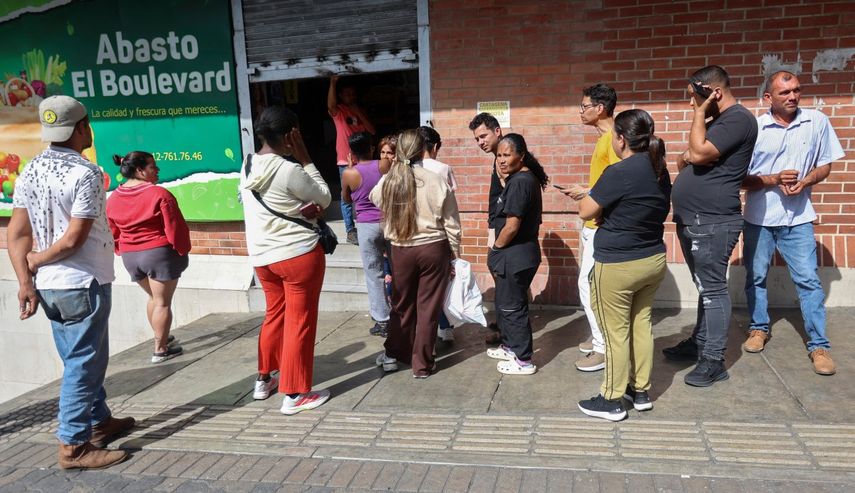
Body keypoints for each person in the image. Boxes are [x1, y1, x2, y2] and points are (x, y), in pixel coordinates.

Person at [7, 95, 134, 469]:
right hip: (82, 281)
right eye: (87, 124)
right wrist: (36, 260)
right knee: (84, 364)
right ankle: (74, 446)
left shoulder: (30, 169)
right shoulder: (87, 172)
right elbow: (73, 239)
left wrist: (25, 279)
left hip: (50, 287)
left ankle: (99, 420)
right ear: (81, 128)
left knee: (78, 359)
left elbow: (15, 232)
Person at [741, 71, 844, 375]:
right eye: (784, 93)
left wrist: (807, 180)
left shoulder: (816, 121)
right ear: (768, 98)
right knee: (756, 276)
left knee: (808, 281)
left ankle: (819, 345)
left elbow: (825, 164)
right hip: (759, 218)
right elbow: (739, 179)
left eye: (796, 91)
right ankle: (758, 328)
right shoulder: (754, 128)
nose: (792, 97)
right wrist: (773, 179)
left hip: (798, 218)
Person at [663, 65, 758, 387]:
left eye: (695, 97)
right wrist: (693, 152)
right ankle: (700, 343)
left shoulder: (738, 119)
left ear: (713, 92)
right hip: (695, 219)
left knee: (713, 290)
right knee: (706, 288)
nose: (692, 104)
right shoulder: (719, 122)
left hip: (714, 221)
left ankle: (714, 360)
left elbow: (699, 152)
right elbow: (683, 157)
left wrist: (700, 118)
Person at [576, 109, 671, 421]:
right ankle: (639, 391)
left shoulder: (619, 172)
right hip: (653, 258)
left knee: (615, 333)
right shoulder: (660, 169)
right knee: (640, 325)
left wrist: (593, 201)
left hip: (618, 263)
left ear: (620, 139)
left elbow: (586, 211)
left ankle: (612, 398)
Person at [241, 106, 332, 414]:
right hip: (297, 255)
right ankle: (294, 394)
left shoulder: (248, 163)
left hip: (262, 257)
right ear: (290, 135)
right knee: (299, 322)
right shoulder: (290, 169)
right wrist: (305, 157)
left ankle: (264, 379)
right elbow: (323, 197)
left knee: (275, 315)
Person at [370, 129, 461, 379]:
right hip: (434, 247)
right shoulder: (435, 179)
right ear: (423, 150)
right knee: (428, 308)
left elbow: (373, 198)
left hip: (401, 249)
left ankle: (395, 353)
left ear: (398, 152)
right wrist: (455, 254)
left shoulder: (391, 179)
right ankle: (422, 364)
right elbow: (452, 222)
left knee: (401, 305)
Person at [106, 151, 190, 364]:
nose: (158, 170)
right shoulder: (159, 194)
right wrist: (181, 249)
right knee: (162, 302)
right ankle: (160, 349)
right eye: (153, 167)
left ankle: (161, 336)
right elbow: (174, 227)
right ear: (140, 170)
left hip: (130, 256)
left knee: (153, 298)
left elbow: (112, 229)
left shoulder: (113, 197)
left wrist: (120, 249)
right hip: (158, 254)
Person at [560, 83, 621, 373]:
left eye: (584, 106)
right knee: (590, 286)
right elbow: (606, 184)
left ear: (601, 108)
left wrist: (588, 197)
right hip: (594, 223)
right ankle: (599, 337)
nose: (580, 111)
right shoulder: (604, 139)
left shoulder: (613, 140)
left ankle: (602, 347)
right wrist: (585, 191)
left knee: (589, 286)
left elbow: (620, 186)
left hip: (603, 226)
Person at [486, 133, 548, 375]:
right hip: (516, 255)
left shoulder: (522, 181)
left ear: (521, 156)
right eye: (499, 155)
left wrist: (496, 247)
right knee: (507, 304)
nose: (501, 160)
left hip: (516, 255)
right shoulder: (517, 179)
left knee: (513, 308)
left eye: (507, 154)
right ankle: (511, 346)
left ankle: (523, 360)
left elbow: (512, 225)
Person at [341, 131, 391, 338]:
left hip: (366, 226)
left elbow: (346, 199)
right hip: (389, 223)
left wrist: (351, 166)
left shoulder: (349, 173)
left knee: (374, 273)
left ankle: (382, 320)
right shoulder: (384, 165)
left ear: (351, 152)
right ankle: (403, 314)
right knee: (399, 269)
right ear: (372, 148)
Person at [417, 125, 458, 343]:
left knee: (419, 291)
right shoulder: (443, 169)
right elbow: (450, 208)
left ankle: (424, 336)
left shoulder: (407, 169)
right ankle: (444, 325)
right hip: (439, 235)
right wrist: (455, 248)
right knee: (438, 287)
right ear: (435, 147)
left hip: (412, 236)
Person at [469, 112, 505, 344]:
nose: (480, 142)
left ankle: (506, 332)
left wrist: (500, 234)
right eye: (477, 139)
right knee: (495, 270)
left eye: (483, 136)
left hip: (504, 228)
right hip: (496, 226)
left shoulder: (507, 158)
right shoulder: (497, 157)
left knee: (503, 275)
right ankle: (503, 322)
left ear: (497, 131)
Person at [328, 75, 375, 245]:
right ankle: (350, 230)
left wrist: (359, 111)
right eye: (347, 94)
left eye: (353, 94)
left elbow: (372, 130)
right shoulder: (339, 112)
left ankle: (367, 224)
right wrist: (333, 83)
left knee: (367, 193)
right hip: (344, 161)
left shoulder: (360, 110)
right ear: (341, 96)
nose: (351, 97)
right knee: (346, 197)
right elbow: (330, 105)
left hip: (363, 160)